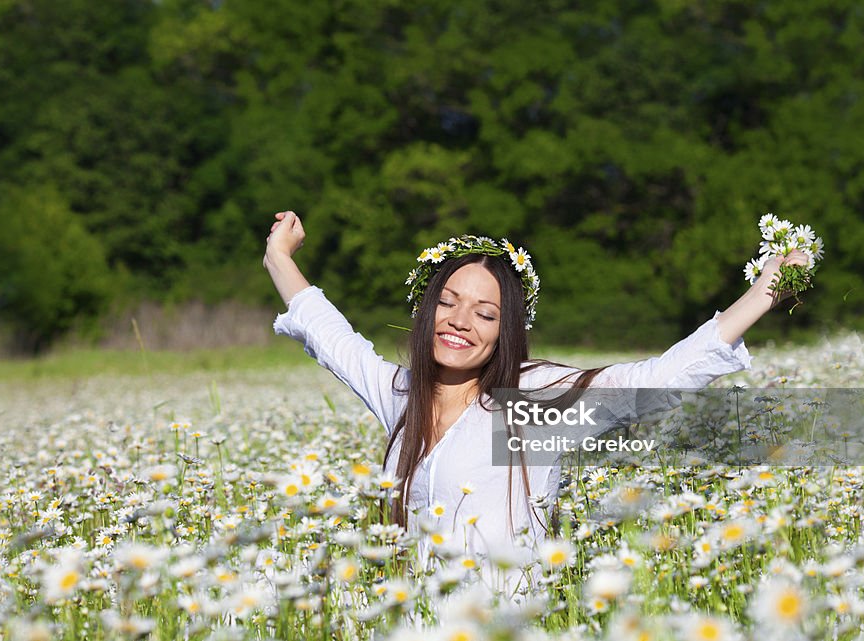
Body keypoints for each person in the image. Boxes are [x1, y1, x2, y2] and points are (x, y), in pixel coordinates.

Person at [263, 210, 809, 595]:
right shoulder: (402, 394)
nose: (459, 321)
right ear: (424, 311)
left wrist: (766, 290)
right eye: (447, 303)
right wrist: (279, 256)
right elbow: (331, 337)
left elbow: (653, 380)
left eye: (485, 313)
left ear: (508, 331)